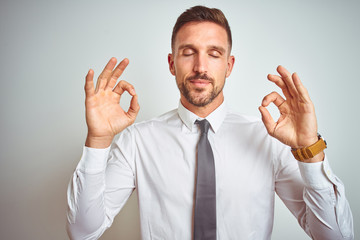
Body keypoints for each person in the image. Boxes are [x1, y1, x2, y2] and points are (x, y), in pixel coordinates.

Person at [66, 5, 354, 240]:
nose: (200, 67)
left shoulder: (268, 139)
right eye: (188, 52)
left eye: (214, 54)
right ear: (171, 63)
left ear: (228, 65)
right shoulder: (138, 141)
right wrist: (98, 140)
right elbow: (82, 233)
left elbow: (335, 236)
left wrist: (309, 149)